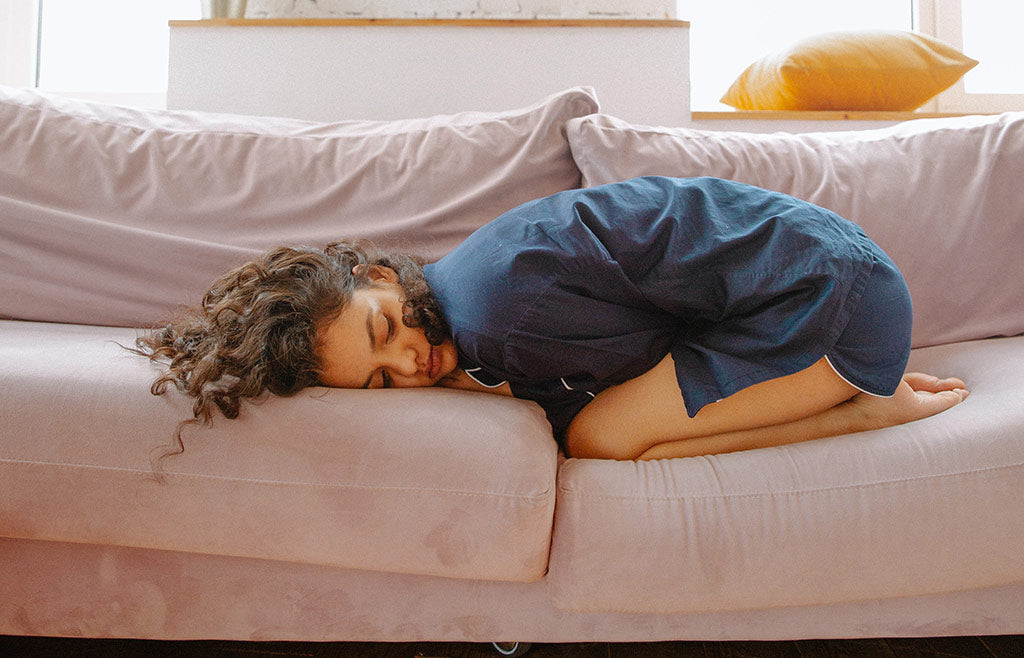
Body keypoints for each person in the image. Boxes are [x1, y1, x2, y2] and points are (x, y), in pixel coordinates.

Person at [137, 176, 968, 459]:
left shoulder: (503, 318)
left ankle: (863, 409)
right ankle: (838, 394)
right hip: (821, 268)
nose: (413, 362)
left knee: (598, 440)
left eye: (387, 330)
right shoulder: (461, 285)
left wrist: (487, 388)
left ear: (381, 275)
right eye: (383, 379)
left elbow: (630, 379)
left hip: (831, 302)